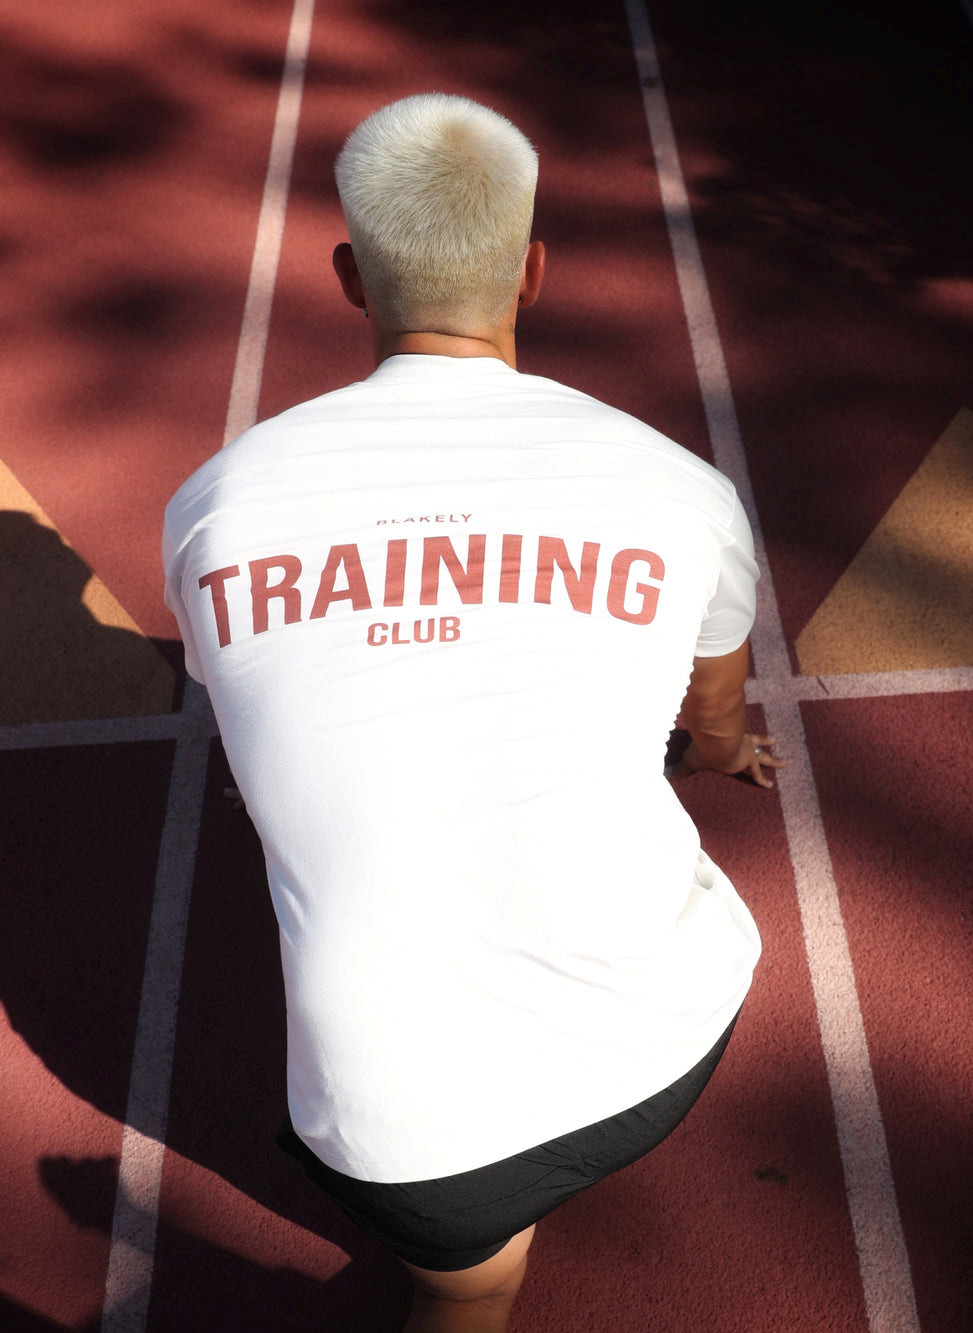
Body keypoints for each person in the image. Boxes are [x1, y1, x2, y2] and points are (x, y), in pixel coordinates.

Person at [163, 93, 785, 1333]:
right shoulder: (680, 486)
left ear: (351, 278)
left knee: (472, 1283)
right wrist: (718, 750)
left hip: (399, 1136)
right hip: (655, 1044)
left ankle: (473, 1277)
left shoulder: (213, 503)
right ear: (533, 272)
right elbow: (714, 707)